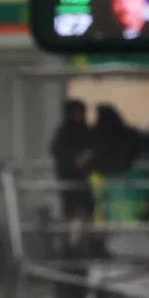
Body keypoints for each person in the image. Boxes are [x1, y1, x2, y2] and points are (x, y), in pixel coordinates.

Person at [50, 99, 96, 231]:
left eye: (81, 112)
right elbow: (57, 149)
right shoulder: (63, 131)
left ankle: (90, 240)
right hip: (67, 176)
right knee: (69, 209)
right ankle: (67, 243)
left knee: (88, 208)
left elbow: (94, 148)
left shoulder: (87, 130)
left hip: (84, 178)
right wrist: (73, 159)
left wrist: (86, 159)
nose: (79, 115)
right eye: (76, 112)